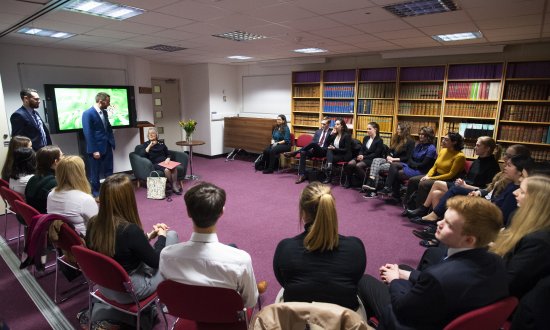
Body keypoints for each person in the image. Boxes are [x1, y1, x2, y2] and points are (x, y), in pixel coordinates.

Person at [358, 196, 508, 330]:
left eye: (448, 224)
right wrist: (407, 274)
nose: (439, 223)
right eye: (443, 218)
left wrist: (395, 280)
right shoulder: (497, 261)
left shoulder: (438, 277)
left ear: (469, 240)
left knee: (365, 281)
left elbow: (402, 308)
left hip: (413, 321)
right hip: (448, 311)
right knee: (403, 268)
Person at [160, 182, 259, 308]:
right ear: (222, 212)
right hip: (225, 319)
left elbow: (169, 296)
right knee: (232, 248)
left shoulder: (166, 255)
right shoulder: (241, 260)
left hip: (187, 313)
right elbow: (250, 303)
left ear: (188, 212)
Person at [273, 182, 366, 311]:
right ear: (331, 209)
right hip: (343, 321)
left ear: (303, 213)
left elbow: (283, 281)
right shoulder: (355, 248)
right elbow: (355, 278)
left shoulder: (285, 248)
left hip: (297, 321)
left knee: (282, 292)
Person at [86, 174, 177, 304]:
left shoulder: (93, 222)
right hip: (132, 291)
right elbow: (156, 262)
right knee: (172, 236)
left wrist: (148, 236)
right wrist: (162, 236)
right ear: (128, 199)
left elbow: (120, 246)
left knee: (166, 240)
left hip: (105, 287)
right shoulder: (129, 230)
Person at [407, 136, 502, 222]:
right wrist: (462, 182)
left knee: (437, 183)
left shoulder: (493, 166)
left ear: (487, 148)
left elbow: (488, 189)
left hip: (474, 192)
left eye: (478, 145)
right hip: (464, 186)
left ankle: (425, 210)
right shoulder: (478, 160)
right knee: (436, 193)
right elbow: (469, 178)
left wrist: (466, 185)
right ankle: (436, 222)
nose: (475, 147)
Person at [490, 176, 550, 300]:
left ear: (536, 201)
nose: (514, 192)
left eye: (522, 192)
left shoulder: (539, 241)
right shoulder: (518, 216)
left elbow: (509, 283)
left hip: (505, 299)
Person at [403, 132, 466, 212]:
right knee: (413, 180)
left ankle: (419, 209)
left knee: (423, 184)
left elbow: (450, 175)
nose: (443, 141)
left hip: (446, 179)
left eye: (446, 140)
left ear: (454, 142)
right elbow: (435, 166)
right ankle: (408, 205)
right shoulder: (443, 150)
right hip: (435, 175)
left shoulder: (460, 156)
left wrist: (430, 178)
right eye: (443, 139)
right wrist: (427, 176)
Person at [378, 126, 437, 202]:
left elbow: (424, 164)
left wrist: (413, 164)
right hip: (412, 166)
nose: (420, 136)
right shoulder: (419, 145)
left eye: (423, 134)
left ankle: (396, 195)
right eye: (420, 134)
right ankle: (387, 188)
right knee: (394, 164)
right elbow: (410, 157)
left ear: (429, 136)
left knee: (397, 173)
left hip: (420, 170)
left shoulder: (431, 148)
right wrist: (411, 163)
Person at [47, 156, 98, 236]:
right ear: (80, 173)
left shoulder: (51, 194)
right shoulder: (85, 199)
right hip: (86, 242)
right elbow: (99, 226)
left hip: (64, 242)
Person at [362, 122, 415, 196]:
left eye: (399, 129)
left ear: (404, 130)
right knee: (376, 160)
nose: (397, 130)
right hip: (390, 160)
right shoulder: (396, 138)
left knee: (377, 167)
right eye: (397, 129)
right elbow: (389, 150)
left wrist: (394, 159)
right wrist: (388, 156)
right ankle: (371, 182)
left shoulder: (410, 142)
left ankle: (373, 188)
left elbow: (407, 157)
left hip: (399, 163)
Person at [82, 92, 116, 197]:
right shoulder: (88, 113)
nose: (109, 104)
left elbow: (107, 127)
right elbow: (88, 133)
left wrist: (111, 140)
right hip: (96, 149)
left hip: (107, 145)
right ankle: (96, 193)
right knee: (95, 172)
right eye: (108, 102)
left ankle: (110, 191)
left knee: (109, 170)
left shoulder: (104, 112)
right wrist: (94, 150)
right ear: (101, 101)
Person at [284, 117, 331, 184]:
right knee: (303, 152)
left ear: (328, 124)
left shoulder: (331, 133)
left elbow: (330, 145)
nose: (322, 125)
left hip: (323, 152)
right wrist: (312, 148)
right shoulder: (318, 131)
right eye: (321, 124)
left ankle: (295, 152)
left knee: (313, 144)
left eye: (324, 124)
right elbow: (313, 141)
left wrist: (315, 146)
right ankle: (302, 175)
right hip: (314, 150)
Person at [343, 122, 384, 189]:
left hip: (371, 159)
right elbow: (362, 149)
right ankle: (348, 181)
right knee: (350, 163)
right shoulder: (366, 138)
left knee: (358, 166)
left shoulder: (379, 140)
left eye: (369, 129)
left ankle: (366, 182)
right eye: (367, 129)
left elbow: (376, 154)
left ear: (375, 129)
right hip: (362, 157)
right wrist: (360, 155)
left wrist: (364, 157)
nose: (367, 130)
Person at [142, 127, 182, 195]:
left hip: (165, 162)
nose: (151, 135)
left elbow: (168, 153)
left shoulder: (161, 143)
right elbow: (144, 154)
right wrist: (150, 145)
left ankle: (174, 185)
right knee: (166, 170)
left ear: (156, 134)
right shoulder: (146, 144)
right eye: (149, 134)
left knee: (174, 168)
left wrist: (168, 158)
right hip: (155, 163)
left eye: (152, 133)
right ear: (148, 135)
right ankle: (173, 186)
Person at [25, 146, 63, 214]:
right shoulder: (55, 183)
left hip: (34, 217)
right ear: (56, 162)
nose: (64, 159)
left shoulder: (33, 178)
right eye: (62, 156)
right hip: (47, 219)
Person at [322, 118, 353, 184]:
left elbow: (346, 150)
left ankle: (328, 176)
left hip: (344, 155)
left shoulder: (346, 135)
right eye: (335, 124)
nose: (335, 126)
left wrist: (334, 149)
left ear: (342, 126)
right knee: (329, 149)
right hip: (336, 153)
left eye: (337, 124)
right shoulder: (335, 134)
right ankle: (330, 167)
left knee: (329, 158)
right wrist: (331, 134)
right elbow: (326, 143)